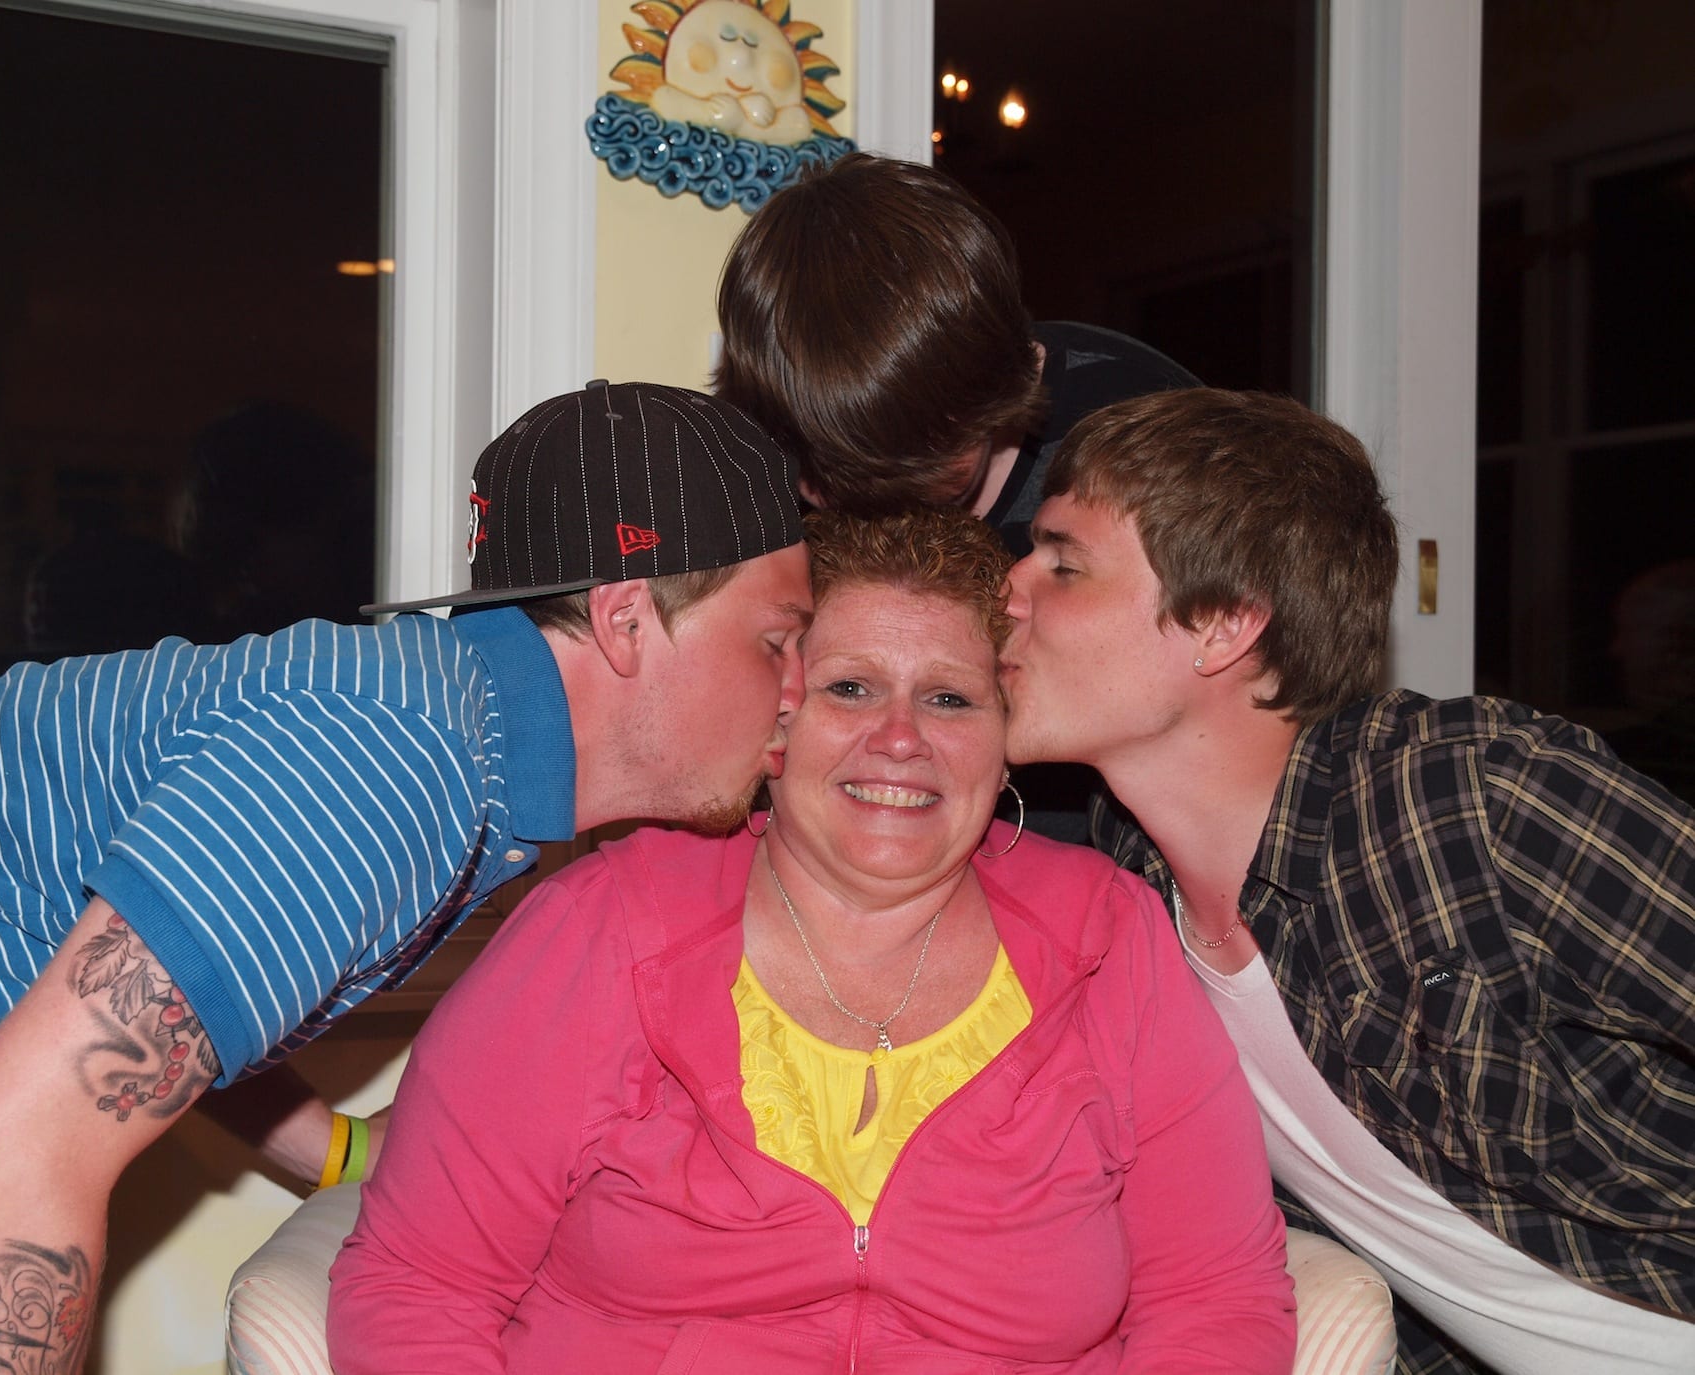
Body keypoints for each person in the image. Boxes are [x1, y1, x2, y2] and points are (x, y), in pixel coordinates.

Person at [0, 381, 812, 1375]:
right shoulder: (389, 766)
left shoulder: (442, 739)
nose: (797, 691)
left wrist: (343, 1152)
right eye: (776, 640)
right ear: (624, 618)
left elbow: (160, 1003)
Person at [328, 508, 1294, 1373]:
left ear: (1005, 732)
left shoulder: (1110, 936)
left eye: (950, 699)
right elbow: (417, 1288)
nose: (901, 738)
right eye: (851, 688)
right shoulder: (602, 926)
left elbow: (1216, 1301)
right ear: (777, 713)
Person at [999, 386, 1695, 1375]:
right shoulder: (1125, 899)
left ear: (1223, 624)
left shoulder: (1468, 802)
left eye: (1063, 564)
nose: (1009, 588)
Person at [714, 149, 1198, 845]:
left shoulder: (1135, 430)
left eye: (905, 466)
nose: (836, 499)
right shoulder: (763, 473)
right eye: (821, 471)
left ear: (990, 400)